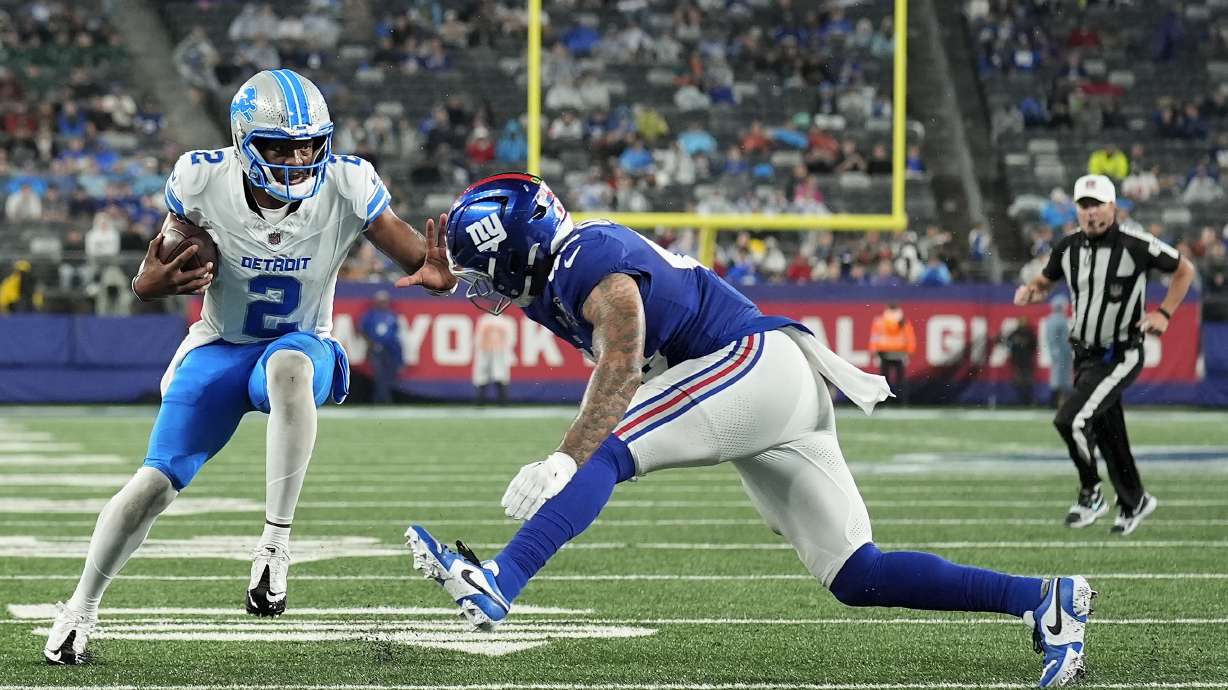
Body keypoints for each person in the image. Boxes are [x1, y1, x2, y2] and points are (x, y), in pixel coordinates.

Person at [404, 173, 1097, 688]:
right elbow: (533, 294)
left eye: (481, 274)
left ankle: (501, 579)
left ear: (514, 252)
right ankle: (1042, 599)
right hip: (776, 381)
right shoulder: (554, 268)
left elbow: (620, 360)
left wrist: (563, 459)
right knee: (858, 573)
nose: (478, 290)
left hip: (752, 365)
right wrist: (440, 270)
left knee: (603, 450)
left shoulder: (586, 260)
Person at [42, 69, 457, 665]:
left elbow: (421, 258)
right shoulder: (202, 179)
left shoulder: (348, 184)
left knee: (288, 363)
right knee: (153, 483)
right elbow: (163, 259)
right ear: (244, 143)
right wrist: (147, 283)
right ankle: (79, 609)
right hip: (219, 345)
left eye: (308, 145)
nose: (298, 159)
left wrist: (443, 275)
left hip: (302, 345)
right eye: (280, 147)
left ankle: (274, 547)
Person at [1015, 174, 1195, 535]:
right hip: (1085, 354)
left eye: (1097, 204)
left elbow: (1184, 269)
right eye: (1084, 205)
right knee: (1109, 432)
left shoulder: (1135, 244)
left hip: (1119, 352)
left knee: (1071, 420)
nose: (1091, 212)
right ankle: (1135, 500)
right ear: (1076, 209)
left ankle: (1091, 493)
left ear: (1113, 207)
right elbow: (1046, 280)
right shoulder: (1067, 247)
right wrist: (1032, 290)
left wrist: (1164, 313)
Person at [360, 290, 403, 404]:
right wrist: (371, 343)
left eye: (385, 301)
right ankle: (381, 399)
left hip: (390, 349)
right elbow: (362, 330)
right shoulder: (371, 315)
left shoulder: (391, 314)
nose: (383, 303)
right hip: (376, 349)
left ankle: (384, 398)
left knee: (389, 374)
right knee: (378, 374)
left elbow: (395, 332)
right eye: (381, 301)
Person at [868, 303, 915, 404]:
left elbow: (875, 337)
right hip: (899, 352)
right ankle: (902, 401)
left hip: (884, 351)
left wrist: (874, 351)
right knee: (900, 380)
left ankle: (884, 401)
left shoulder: (881, 321)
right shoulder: (903, 321)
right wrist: (910, 351)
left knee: (884, 379)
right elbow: (909, 337)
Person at [472, 311, 516, 405]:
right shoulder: (484, 320)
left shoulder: (506, 321)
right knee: (483, 376)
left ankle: (502, 400)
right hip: (485, 351)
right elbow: (478, 338)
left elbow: (510, 340)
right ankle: (481, 400)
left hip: (500, 352)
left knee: (499, 375)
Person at [1043, 295, 1074, 408]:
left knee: (1059, 376)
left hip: (1059, 353)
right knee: (1061, 377)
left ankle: (1057, 402)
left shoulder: (1051, 320)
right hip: (1061, 353)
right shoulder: (1060, 320)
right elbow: (1061, 339)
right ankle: (1056, 402)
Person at [1004, 316, 1038, 406]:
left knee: (1026, 382)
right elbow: (1007, 341)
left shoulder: (1028, 334)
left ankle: (1027, 400)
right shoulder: (1016, 333)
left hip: (1025, 362)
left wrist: (1024, 343)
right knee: (1019, 382)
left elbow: (1034, 345)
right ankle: (1020, 400)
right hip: (1019, 361)